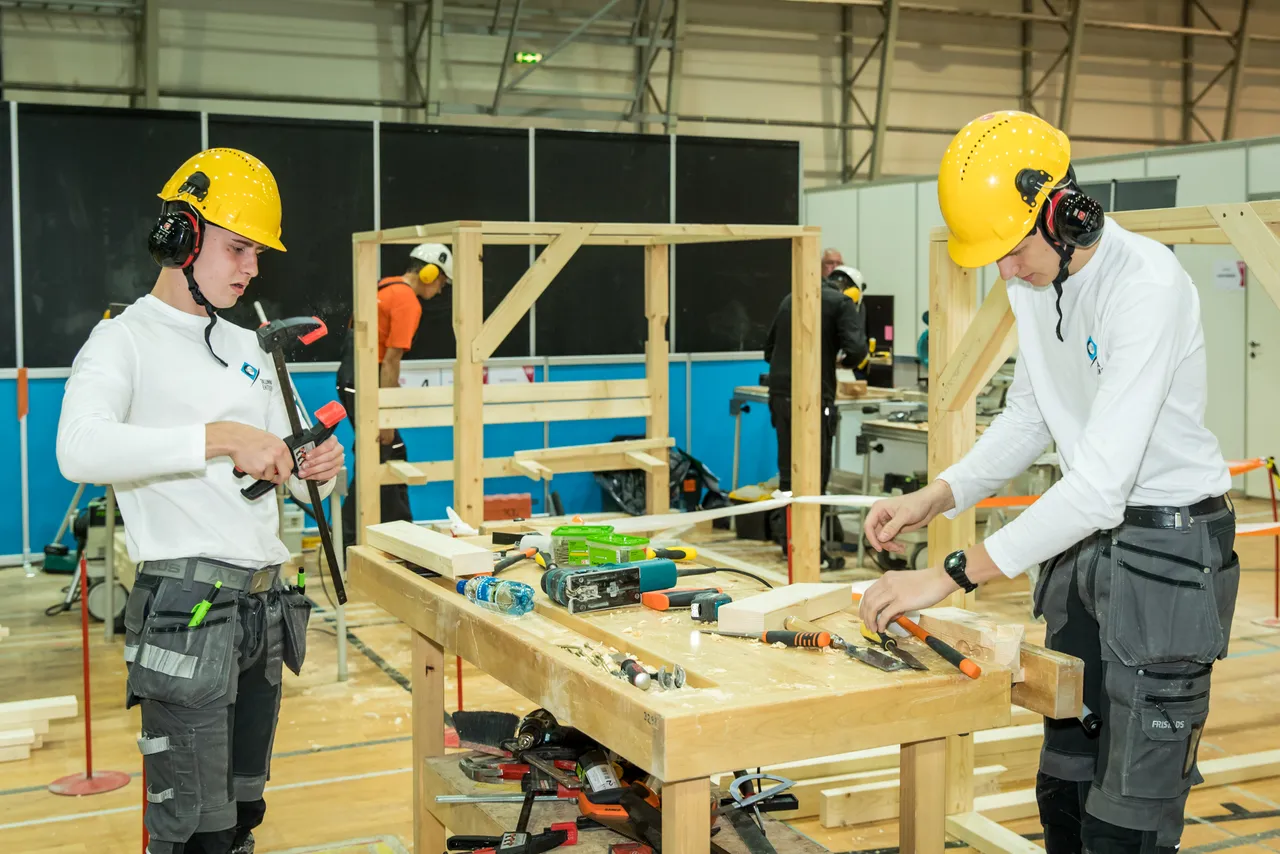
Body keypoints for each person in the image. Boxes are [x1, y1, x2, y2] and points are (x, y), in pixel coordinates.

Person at [857, 110, 1237, 854]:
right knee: (1063, 796)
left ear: (1066, 214)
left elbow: (1099, 485)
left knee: (1125, 821)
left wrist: (949, 573)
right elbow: (1031, 418)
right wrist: (936, 496)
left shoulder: (1146, 285)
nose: (1004, 271)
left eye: (1011, 250)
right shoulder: (1039, 283)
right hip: (1087, 552)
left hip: (1168, 556)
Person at [56, 148, 345, 854]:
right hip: (188, 613)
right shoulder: (122, 341)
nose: (251, 268)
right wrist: (217, 438)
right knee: (194, 833)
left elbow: (300, 464)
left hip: (262, 610)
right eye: (238, 247)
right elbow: (79, 450)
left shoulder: (253, 345)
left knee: (243, 814)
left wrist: (322, 466)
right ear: (181, 237)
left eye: (257, 253)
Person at [336, 242, 453, 547]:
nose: (440, 291)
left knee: (375, 456)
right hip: (365, 381)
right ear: (429, 273)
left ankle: (357, 540)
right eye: (442, 282)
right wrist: (386, 417)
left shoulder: (383, 288)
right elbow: (391, 360)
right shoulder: (407, 301)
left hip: (351, 378)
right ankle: (397, 540)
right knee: (389, 453)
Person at [763, 265, 869, 558]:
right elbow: (857, 351)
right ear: (851, 289)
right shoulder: (843, 303)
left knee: (788, 472)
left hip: (780, 394)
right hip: (813, 399)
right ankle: (810, 550)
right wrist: (841, 363)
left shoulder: (792, 298)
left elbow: (767, 350)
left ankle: (789, 544)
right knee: (815, 473)